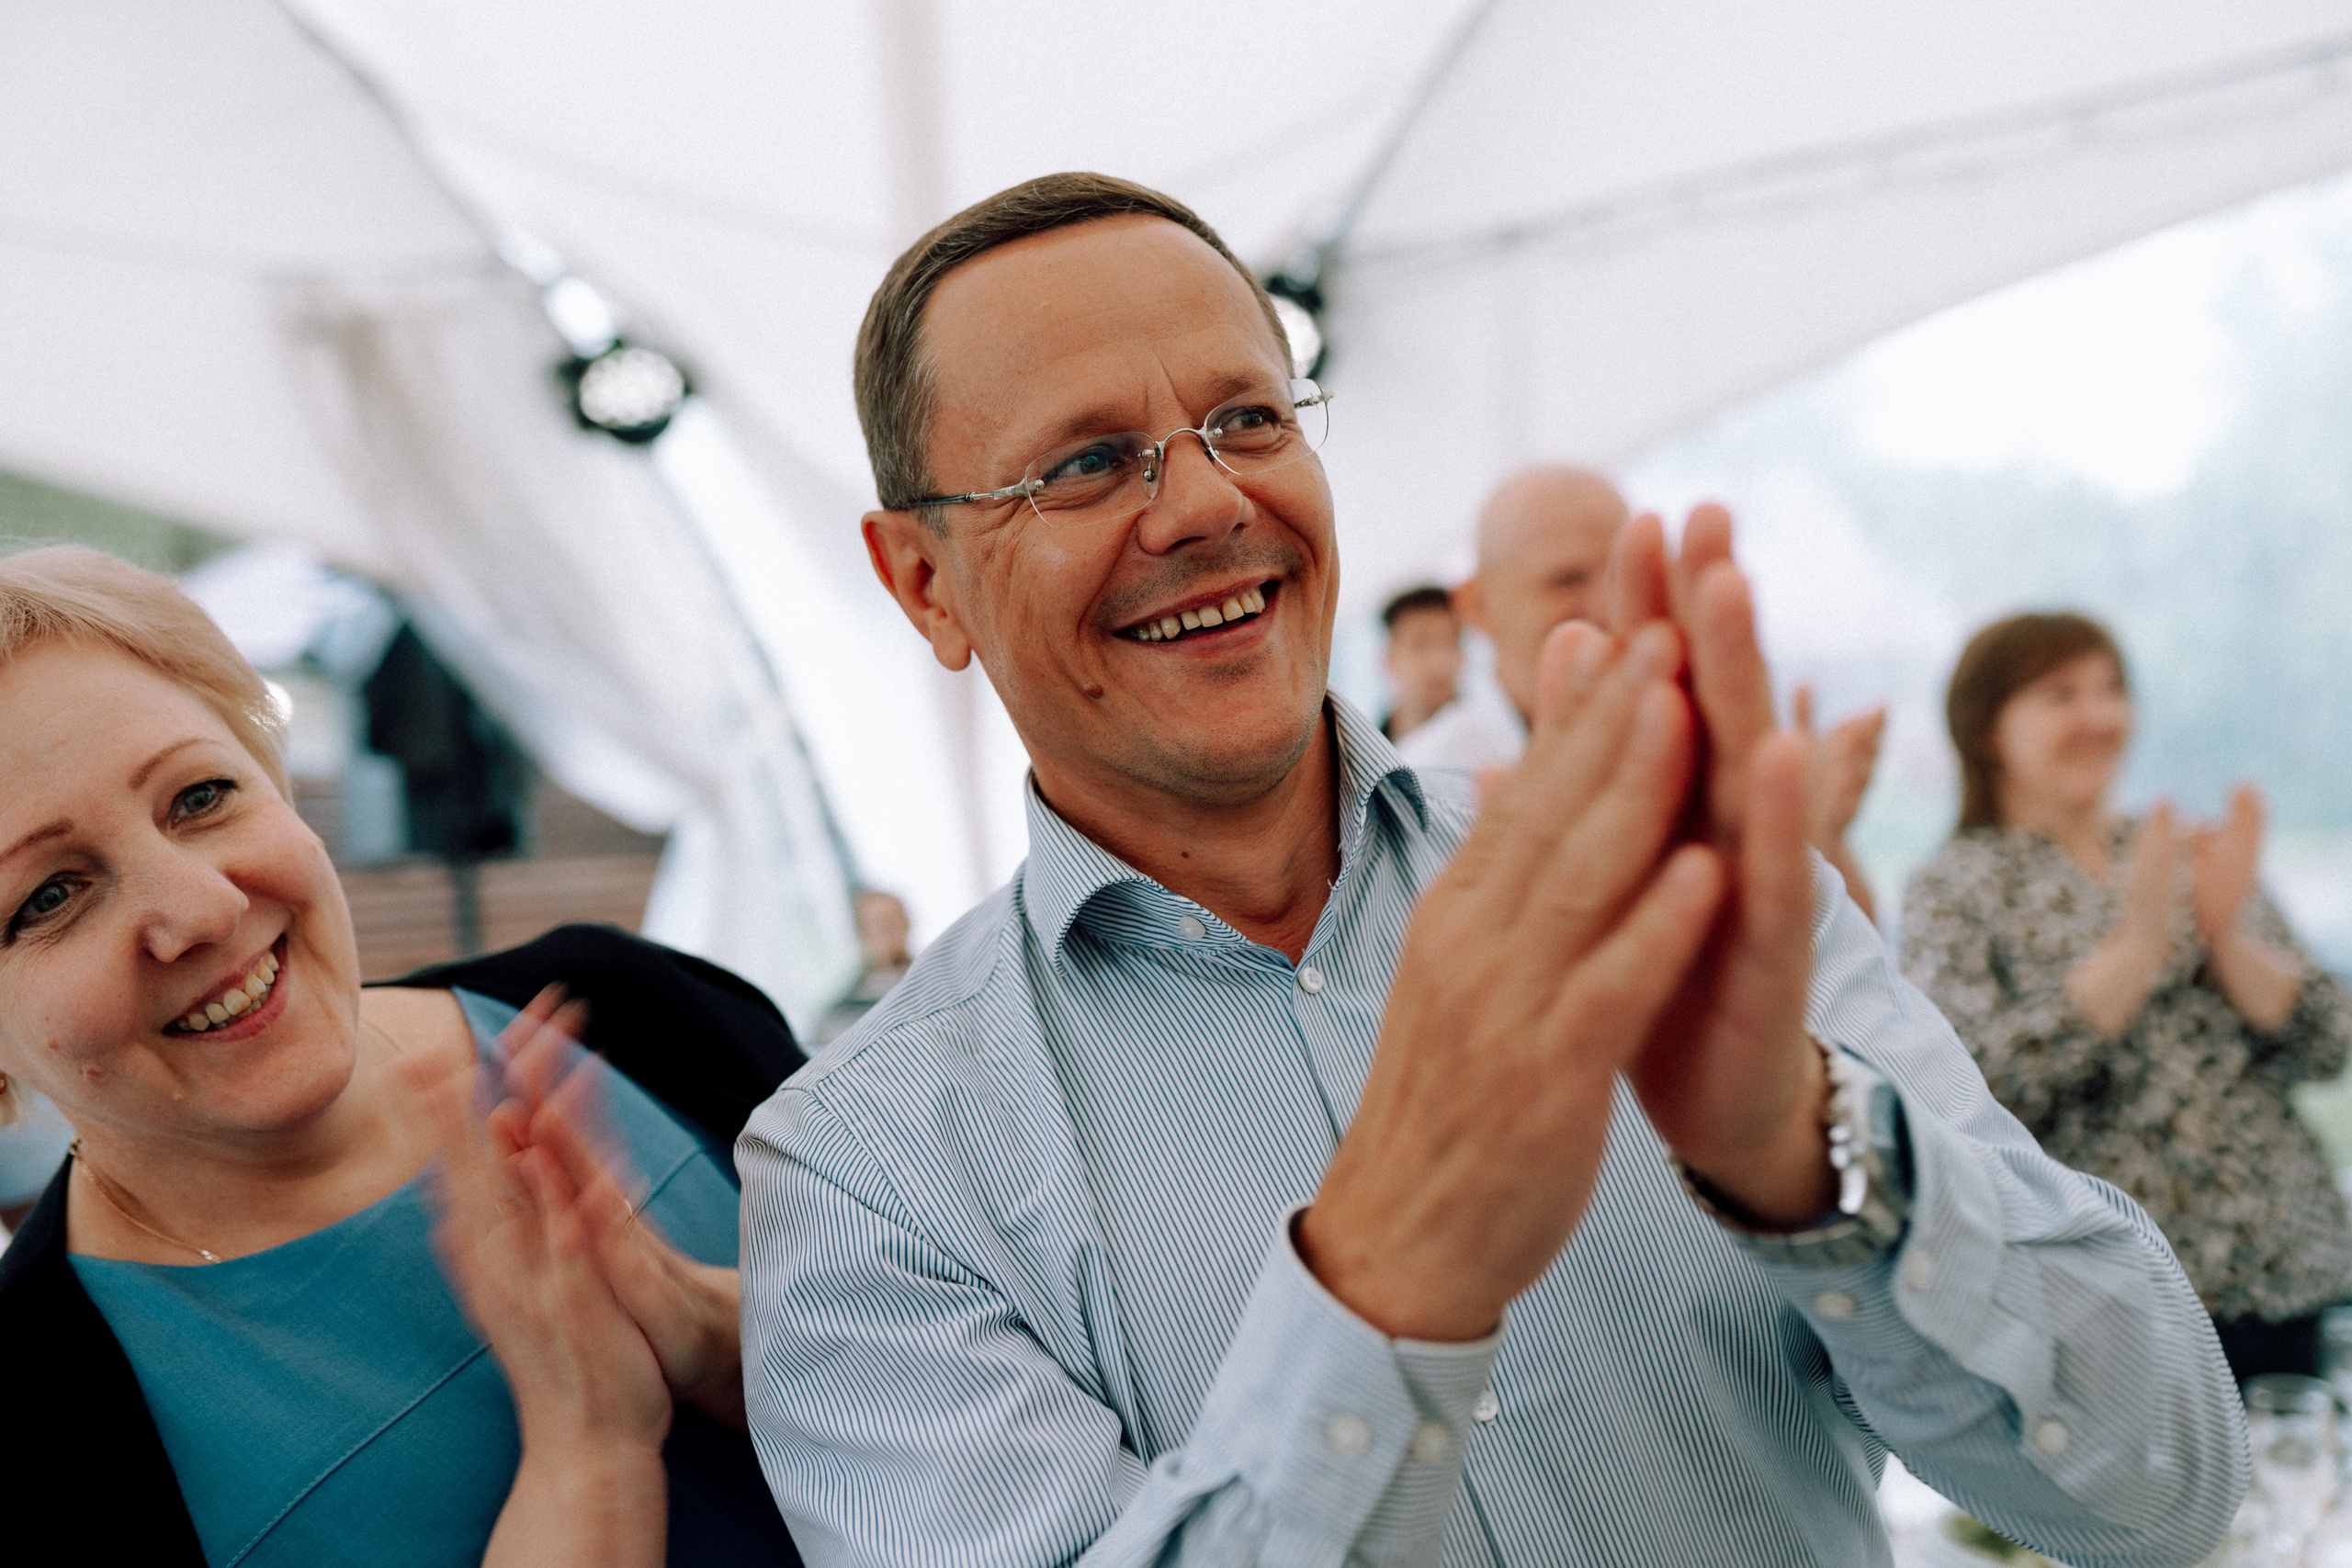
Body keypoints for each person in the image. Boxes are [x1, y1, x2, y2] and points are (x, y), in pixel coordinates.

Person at [735, 173, 2244, 1567]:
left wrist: (1802, 1146)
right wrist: (1387, 1276)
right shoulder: (872, 1176)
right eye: (1086, 462)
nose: (1203, 504)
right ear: (922, 580)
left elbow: (2168, 1488)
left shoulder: (1677, 888)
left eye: (1249, 419)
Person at [0, 547, 804, 1566]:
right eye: (49, 896)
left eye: (199, 797)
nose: (202, 908)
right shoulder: (41, 1421)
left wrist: (705, 1331)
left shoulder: (629, 1007)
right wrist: (585, 1453)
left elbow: (1013, 1380)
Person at [1902, 611, 2352, 1383]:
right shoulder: (1957, 882)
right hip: (2116, 1303)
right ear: (1987, 730)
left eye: (2112, 689)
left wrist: (2225, 940)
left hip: (2288, 1269)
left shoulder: (2184, 848)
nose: (2099, 716)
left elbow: (2330, 1041)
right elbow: (1967, 1091)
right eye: (2059, 694)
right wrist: (2137, 948)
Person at [1402, 464, 1886, 918]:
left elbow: (1854, 963)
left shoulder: (1697, 747)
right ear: (1476, 605)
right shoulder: (1425, 786)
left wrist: (1819, 835)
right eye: (1567, 579)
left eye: (1620, 573)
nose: (1603, 605)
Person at [811, 889, 915, 1046]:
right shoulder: (844, 1011)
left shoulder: (938, 979)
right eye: (875, 925)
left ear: (906, 924)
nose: (885, 932)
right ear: (861, 933)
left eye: (891, 922)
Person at [1374, 584, 1462, 743]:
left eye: (1450, 643)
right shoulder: (1363, 753)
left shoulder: (1500, 748)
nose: (1439, 662)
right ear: (1389, 659)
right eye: (1420, 645)